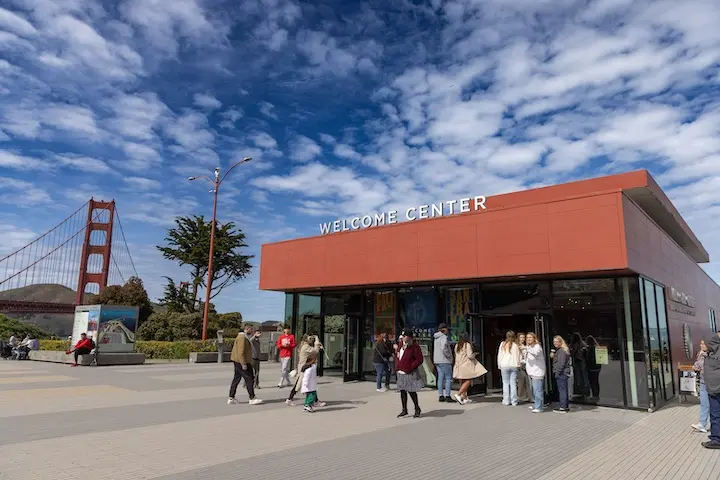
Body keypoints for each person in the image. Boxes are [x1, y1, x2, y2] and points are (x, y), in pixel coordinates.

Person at [286, 334, 325, 407]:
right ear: (306, 339)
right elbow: (315, 351)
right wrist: (317, 341)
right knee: (304, 384)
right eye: (310, 338)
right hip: (305, 367)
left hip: (304, 366)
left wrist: (318, 346)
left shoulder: (304, 345)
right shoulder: (305, 347)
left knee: (304, 384)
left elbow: (313, 352)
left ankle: (314, 400)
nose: (311, 340)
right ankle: (290, 399)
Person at [227, 328, 264, 405]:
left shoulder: (243, 337)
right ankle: (252, 397)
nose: (251, 331)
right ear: (246, 329)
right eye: (250, 329)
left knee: (236, 379)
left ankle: (231, 397)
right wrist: (243, 363)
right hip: (242, 361)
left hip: (238, 361)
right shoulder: (242, 338)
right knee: (249, 378)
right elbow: (241, 352)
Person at [394, 331, 424, 418]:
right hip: (400, 371)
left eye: (405, 336)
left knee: (411, 391)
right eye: (403, 336)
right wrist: (397, 365)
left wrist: (411, 366)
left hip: (409, 372)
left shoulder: (414, 346)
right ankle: (404, 410)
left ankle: (417, 408)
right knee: (402, 391)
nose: (403, 338)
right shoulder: (400, 344)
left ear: (409, 337)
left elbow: (419, 359)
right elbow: (398, 356)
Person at [453, 331, 487, 405]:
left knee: (463, 381)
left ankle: (465, 398)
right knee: (468, 380)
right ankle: (458, 394)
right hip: (466, 365)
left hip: (459, 366)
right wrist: (475, 354)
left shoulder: (457, 345)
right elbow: (470, 356)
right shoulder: (467, 345)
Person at [702, 334, 720, 449]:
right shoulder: (712, 353)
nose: (701, 345)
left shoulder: (715, 356)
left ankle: (716, 440)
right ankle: (716, 435)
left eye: (703, 343)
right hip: (714, 388)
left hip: (716, 389)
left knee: (715, 414)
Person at [497, 330, 521, 406]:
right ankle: (514, 401)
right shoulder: (516, 345)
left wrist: (499, 364)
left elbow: (500, 355)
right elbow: (519, 356)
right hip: (514, 365)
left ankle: (506, 400)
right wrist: (518, 363)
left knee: (505, 383)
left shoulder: (503, 344)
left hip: (504, 365)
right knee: (513, 383)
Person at [525, 332, 546, 413]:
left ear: (534, 338)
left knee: (538, 390)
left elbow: (536, 353)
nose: (528, 339)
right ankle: (535, 404)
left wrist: (527, 349)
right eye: (527, 338)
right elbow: (529, 358)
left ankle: (539, 407)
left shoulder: (537, 347)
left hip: (537, 372)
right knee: (533, 390)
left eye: (530, 337)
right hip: (531, 372)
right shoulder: (529, 347)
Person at [692, 339, 709, 433]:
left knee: (713, 405)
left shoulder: (712, 355)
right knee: (704, 403)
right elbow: (697, 365)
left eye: (703, 344)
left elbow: (705, 366)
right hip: (702, 381)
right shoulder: (700, 354)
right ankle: (702, 424)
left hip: (712, 383)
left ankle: (714, 424)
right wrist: (695, 367)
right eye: (701, 344)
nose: (701, 346)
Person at [433, 323, 453, 402]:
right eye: (447, 329)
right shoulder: (444, 337)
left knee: (440, 377)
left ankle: (440, 395)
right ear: (444, 329)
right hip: (444, 360)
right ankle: (447, 395)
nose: (448, 330)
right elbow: (444, 348)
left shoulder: (436, 337)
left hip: (437, 360)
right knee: (448, 378)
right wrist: (449, 356)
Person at [552, 335, 571, 413]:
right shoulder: (562, 350)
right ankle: (565, 406)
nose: (555, 343)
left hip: (562, 373)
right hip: (564, 373)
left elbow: (561, 363)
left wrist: (557, 373)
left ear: (561, 342)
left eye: (557, 341)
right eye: (554, 342)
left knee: (562, 390)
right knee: (564, 390)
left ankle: (563, 407)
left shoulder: (561, 351)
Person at [516, 333, 532, 403]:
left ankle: (528, 396)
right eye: (521, 337)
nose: (522, 339)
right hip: (520, 364)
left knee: (527, 381)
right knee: (521, 381)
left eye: (523, 337)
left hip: (526, 364)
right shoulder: (516, 346)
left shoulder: (526, 346)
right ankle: (521, 396)